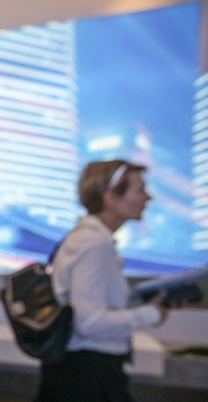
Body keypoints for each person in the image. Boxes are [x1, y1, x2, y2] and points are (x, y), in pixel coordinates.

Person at [35, 160, 177, 401]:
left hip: (81, 370)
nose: (148, 197)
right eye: (140, 190)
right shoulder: (94, 243)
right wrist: (151, 314)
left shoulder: (89, 238)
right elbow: (89, 323)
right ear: (110, 197)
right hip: (87, 374)